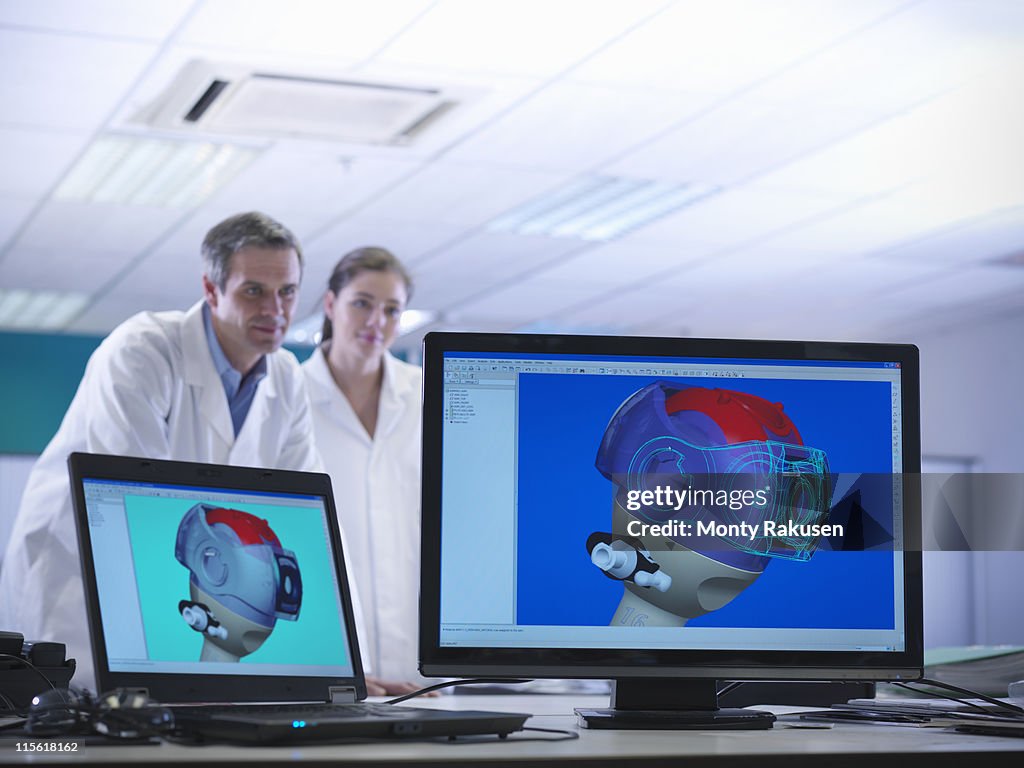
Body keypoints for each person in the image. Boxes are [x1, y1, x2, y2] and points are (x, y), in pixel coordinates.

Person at [0, 211, 320, 690]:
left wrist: (342, 660)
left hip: (194, 576)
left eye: (288, 291)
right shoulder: (143, 351)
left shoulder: (288, 379)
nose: (275, 309)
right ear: (211, 290)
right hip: (76, 575)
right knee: (72, 725)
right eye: (254, 290)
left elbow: (308, 515)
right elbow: (138, 503)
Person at [301, 247, 423, 696]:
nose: (377, 321)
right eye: (362, 303)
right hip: (332, 651)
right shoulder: (289, 397)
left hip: (419, 659)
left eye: (392, 309)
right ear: (331, 305)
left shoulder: (428, 396)